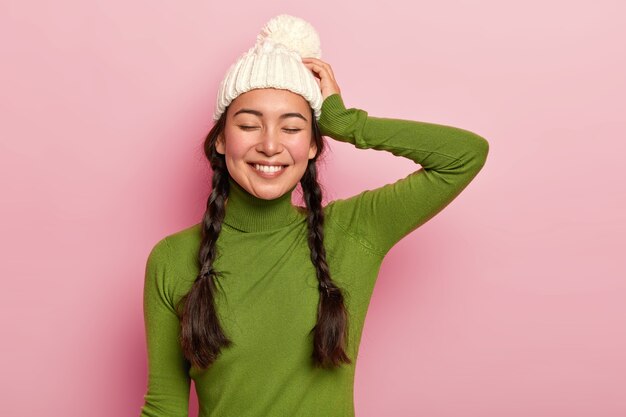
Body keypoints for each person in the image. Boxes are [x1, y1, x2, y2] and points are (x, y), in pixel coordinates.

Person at [140, 14, 489, 417]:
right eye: (249, 125)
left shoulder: (353, 232)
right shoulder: (171, 258)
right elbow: (164, 406)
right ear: (221, 138)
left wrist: (347, 122)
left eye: (291, 128)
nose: (270, 145)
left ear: (312, 146)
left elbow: (464, 156)